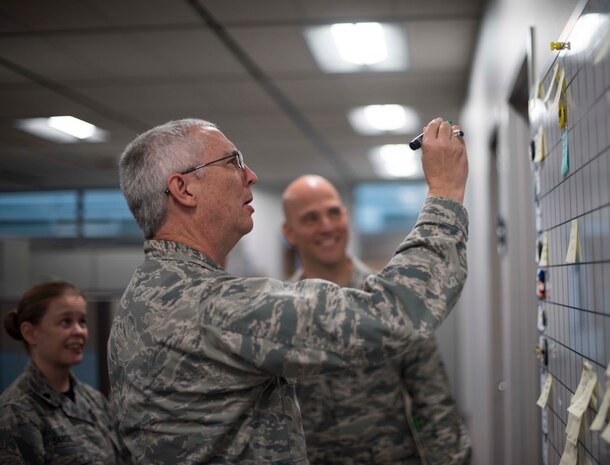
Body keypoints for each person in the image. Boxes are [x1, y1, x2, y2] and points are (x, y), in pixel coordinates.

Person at [108, 117, 469, 465]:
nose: (251, 175)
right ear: (183, 189)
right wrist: (445, 193)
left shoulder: (142, 298)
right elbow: (396, 311)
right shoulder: (210, 306)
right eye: (233, 162)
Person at [282, 174, 472, 464]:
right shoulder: (280, 314)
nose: (327, 226)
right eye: (310, 218)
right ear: (289, 232)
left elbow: (433, 400)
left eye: (334, 212)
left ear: (346, 216)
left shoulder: (388, 301)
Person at [0, 281, 131, 464]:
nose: (79, 331)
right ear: (30, 333)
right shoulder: (17, 411)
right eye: (65, 322)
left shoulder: (94, 400)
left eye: (82, 321)